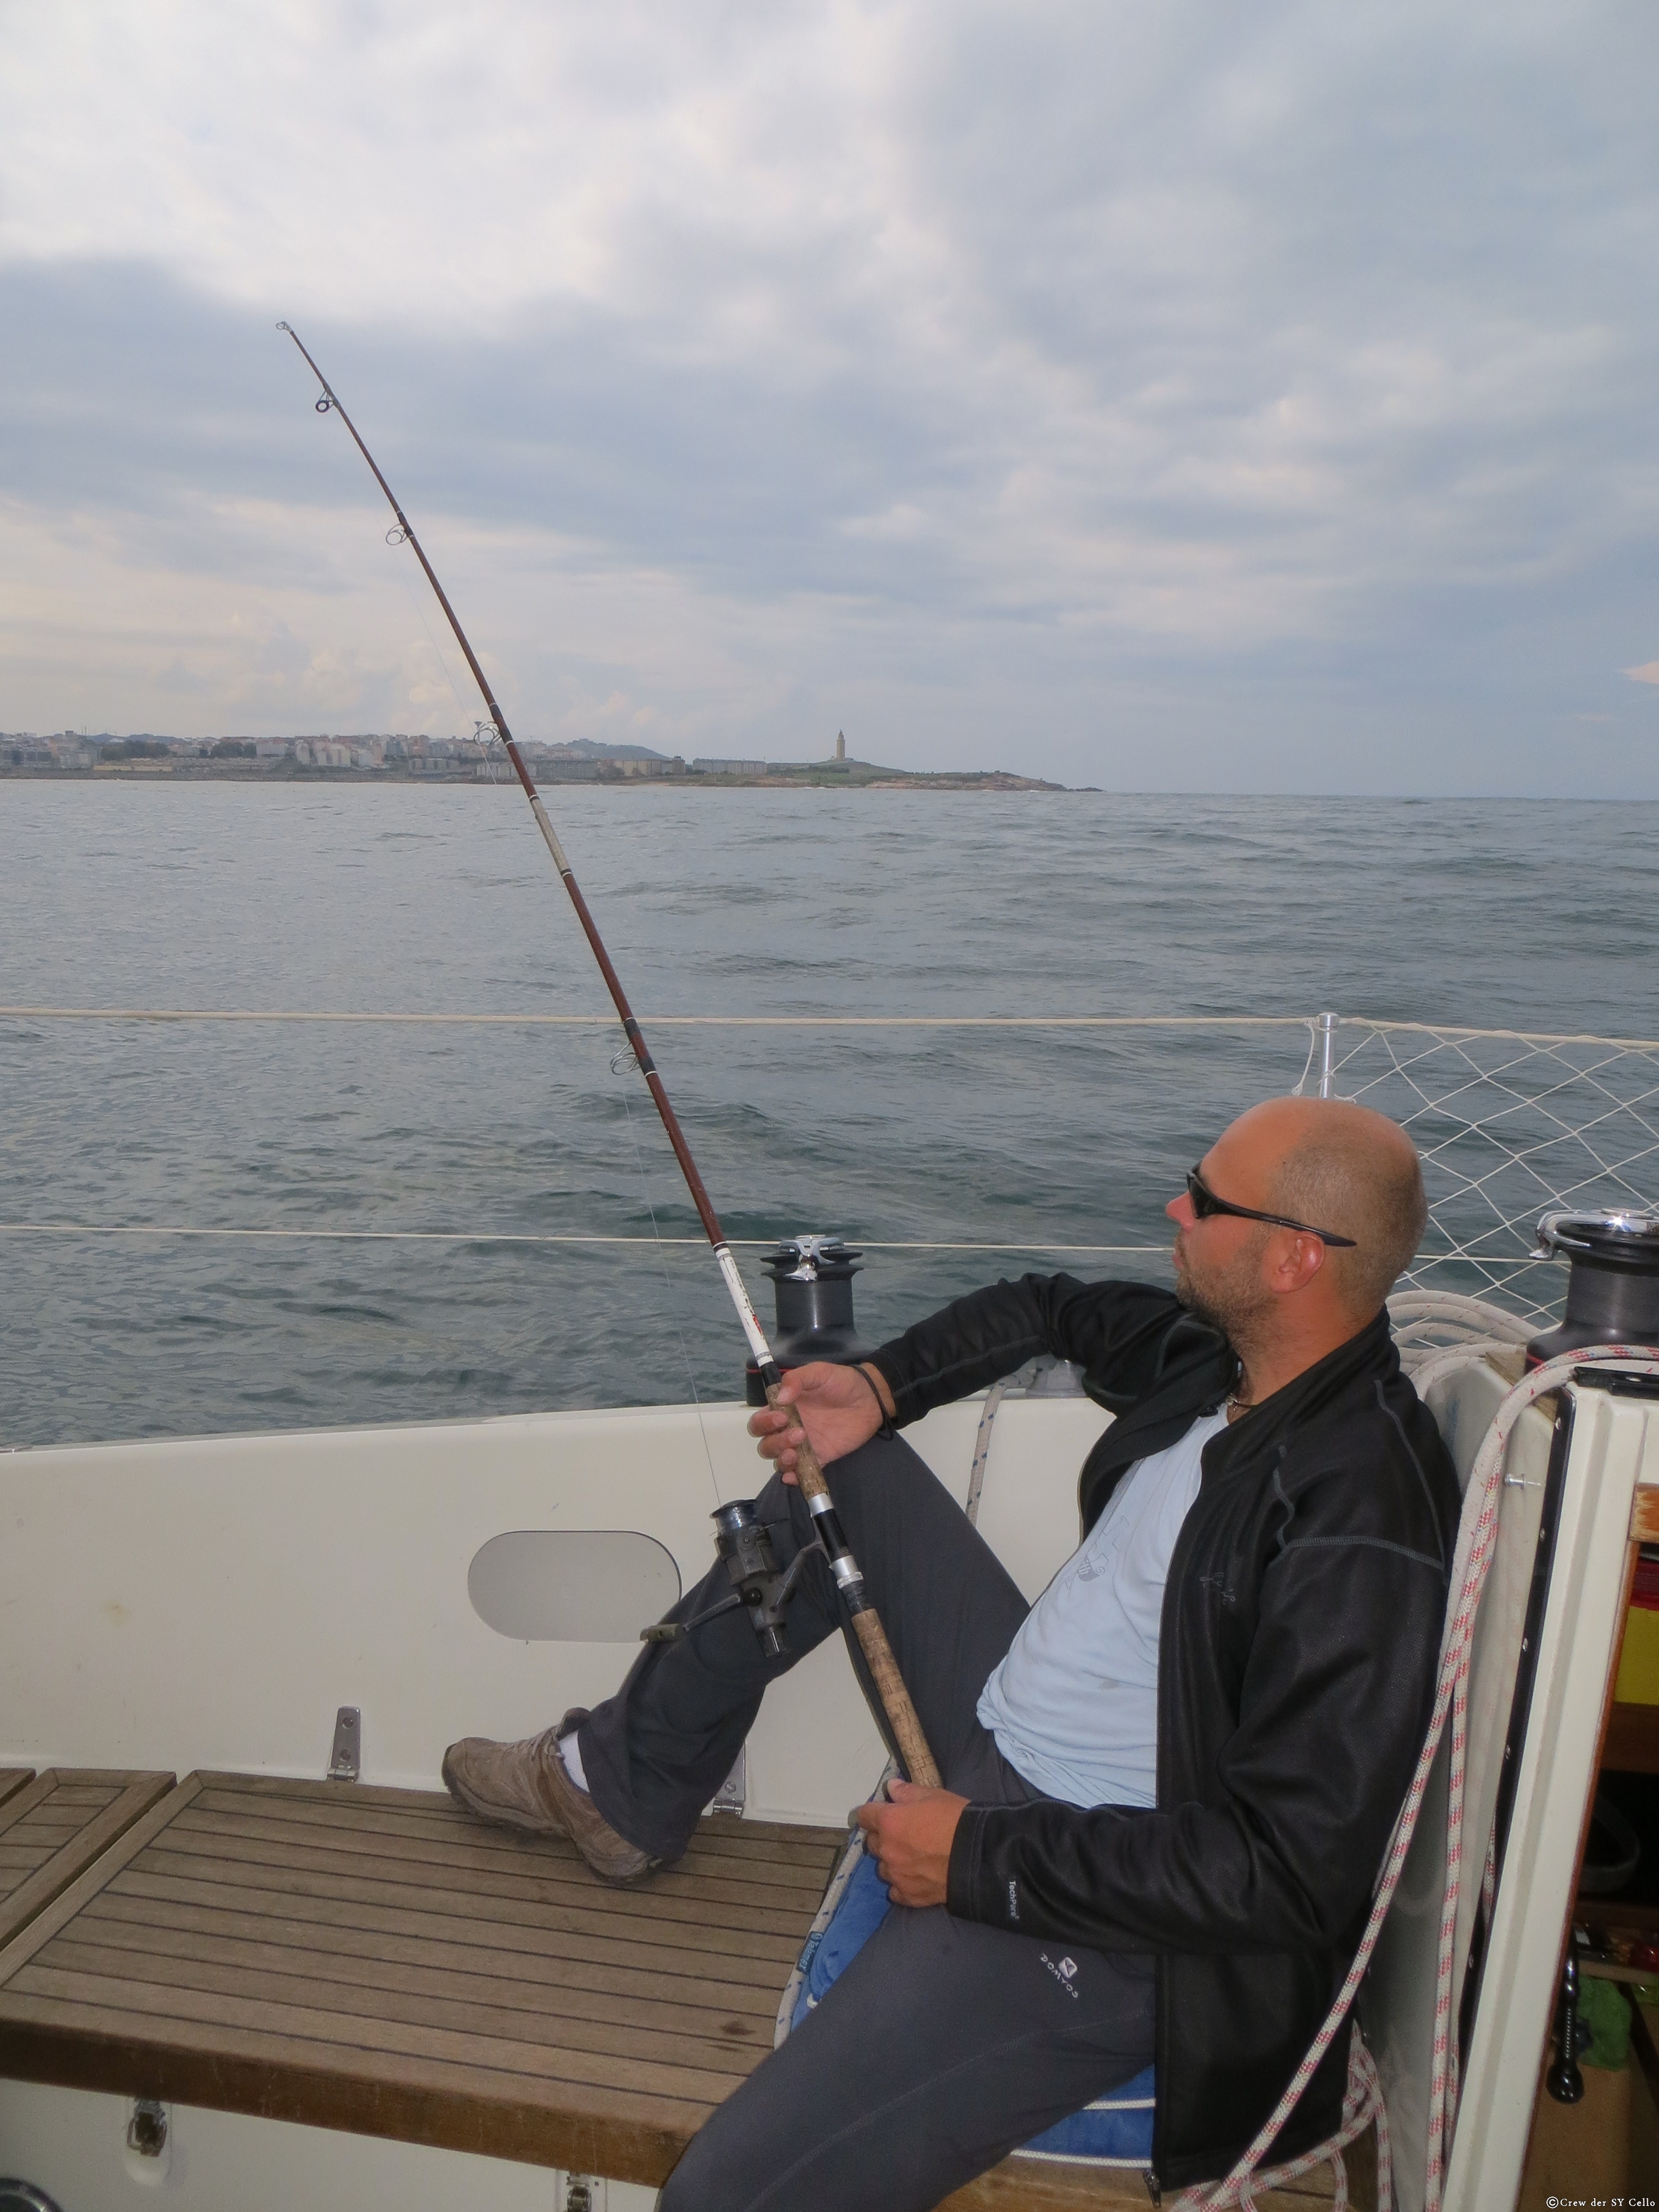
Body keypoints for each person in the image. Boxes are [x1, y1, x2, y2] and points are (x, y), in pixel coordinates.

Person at [442, 1097, 1457, 2208]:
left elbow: (1285, 1875)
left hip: (1109, 1918)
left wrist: (975, 1856)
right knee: (842, 1464)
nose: (1176, 1206)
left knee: (716, 2196)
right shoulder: (1229, 1361)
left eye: (1207, 1199)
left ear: (1294, 1257)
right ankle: (623, 1787)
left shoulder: (1361, 1516)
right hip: (1005, 1719)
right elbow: (1047, 1305)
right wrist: (881, 1388)